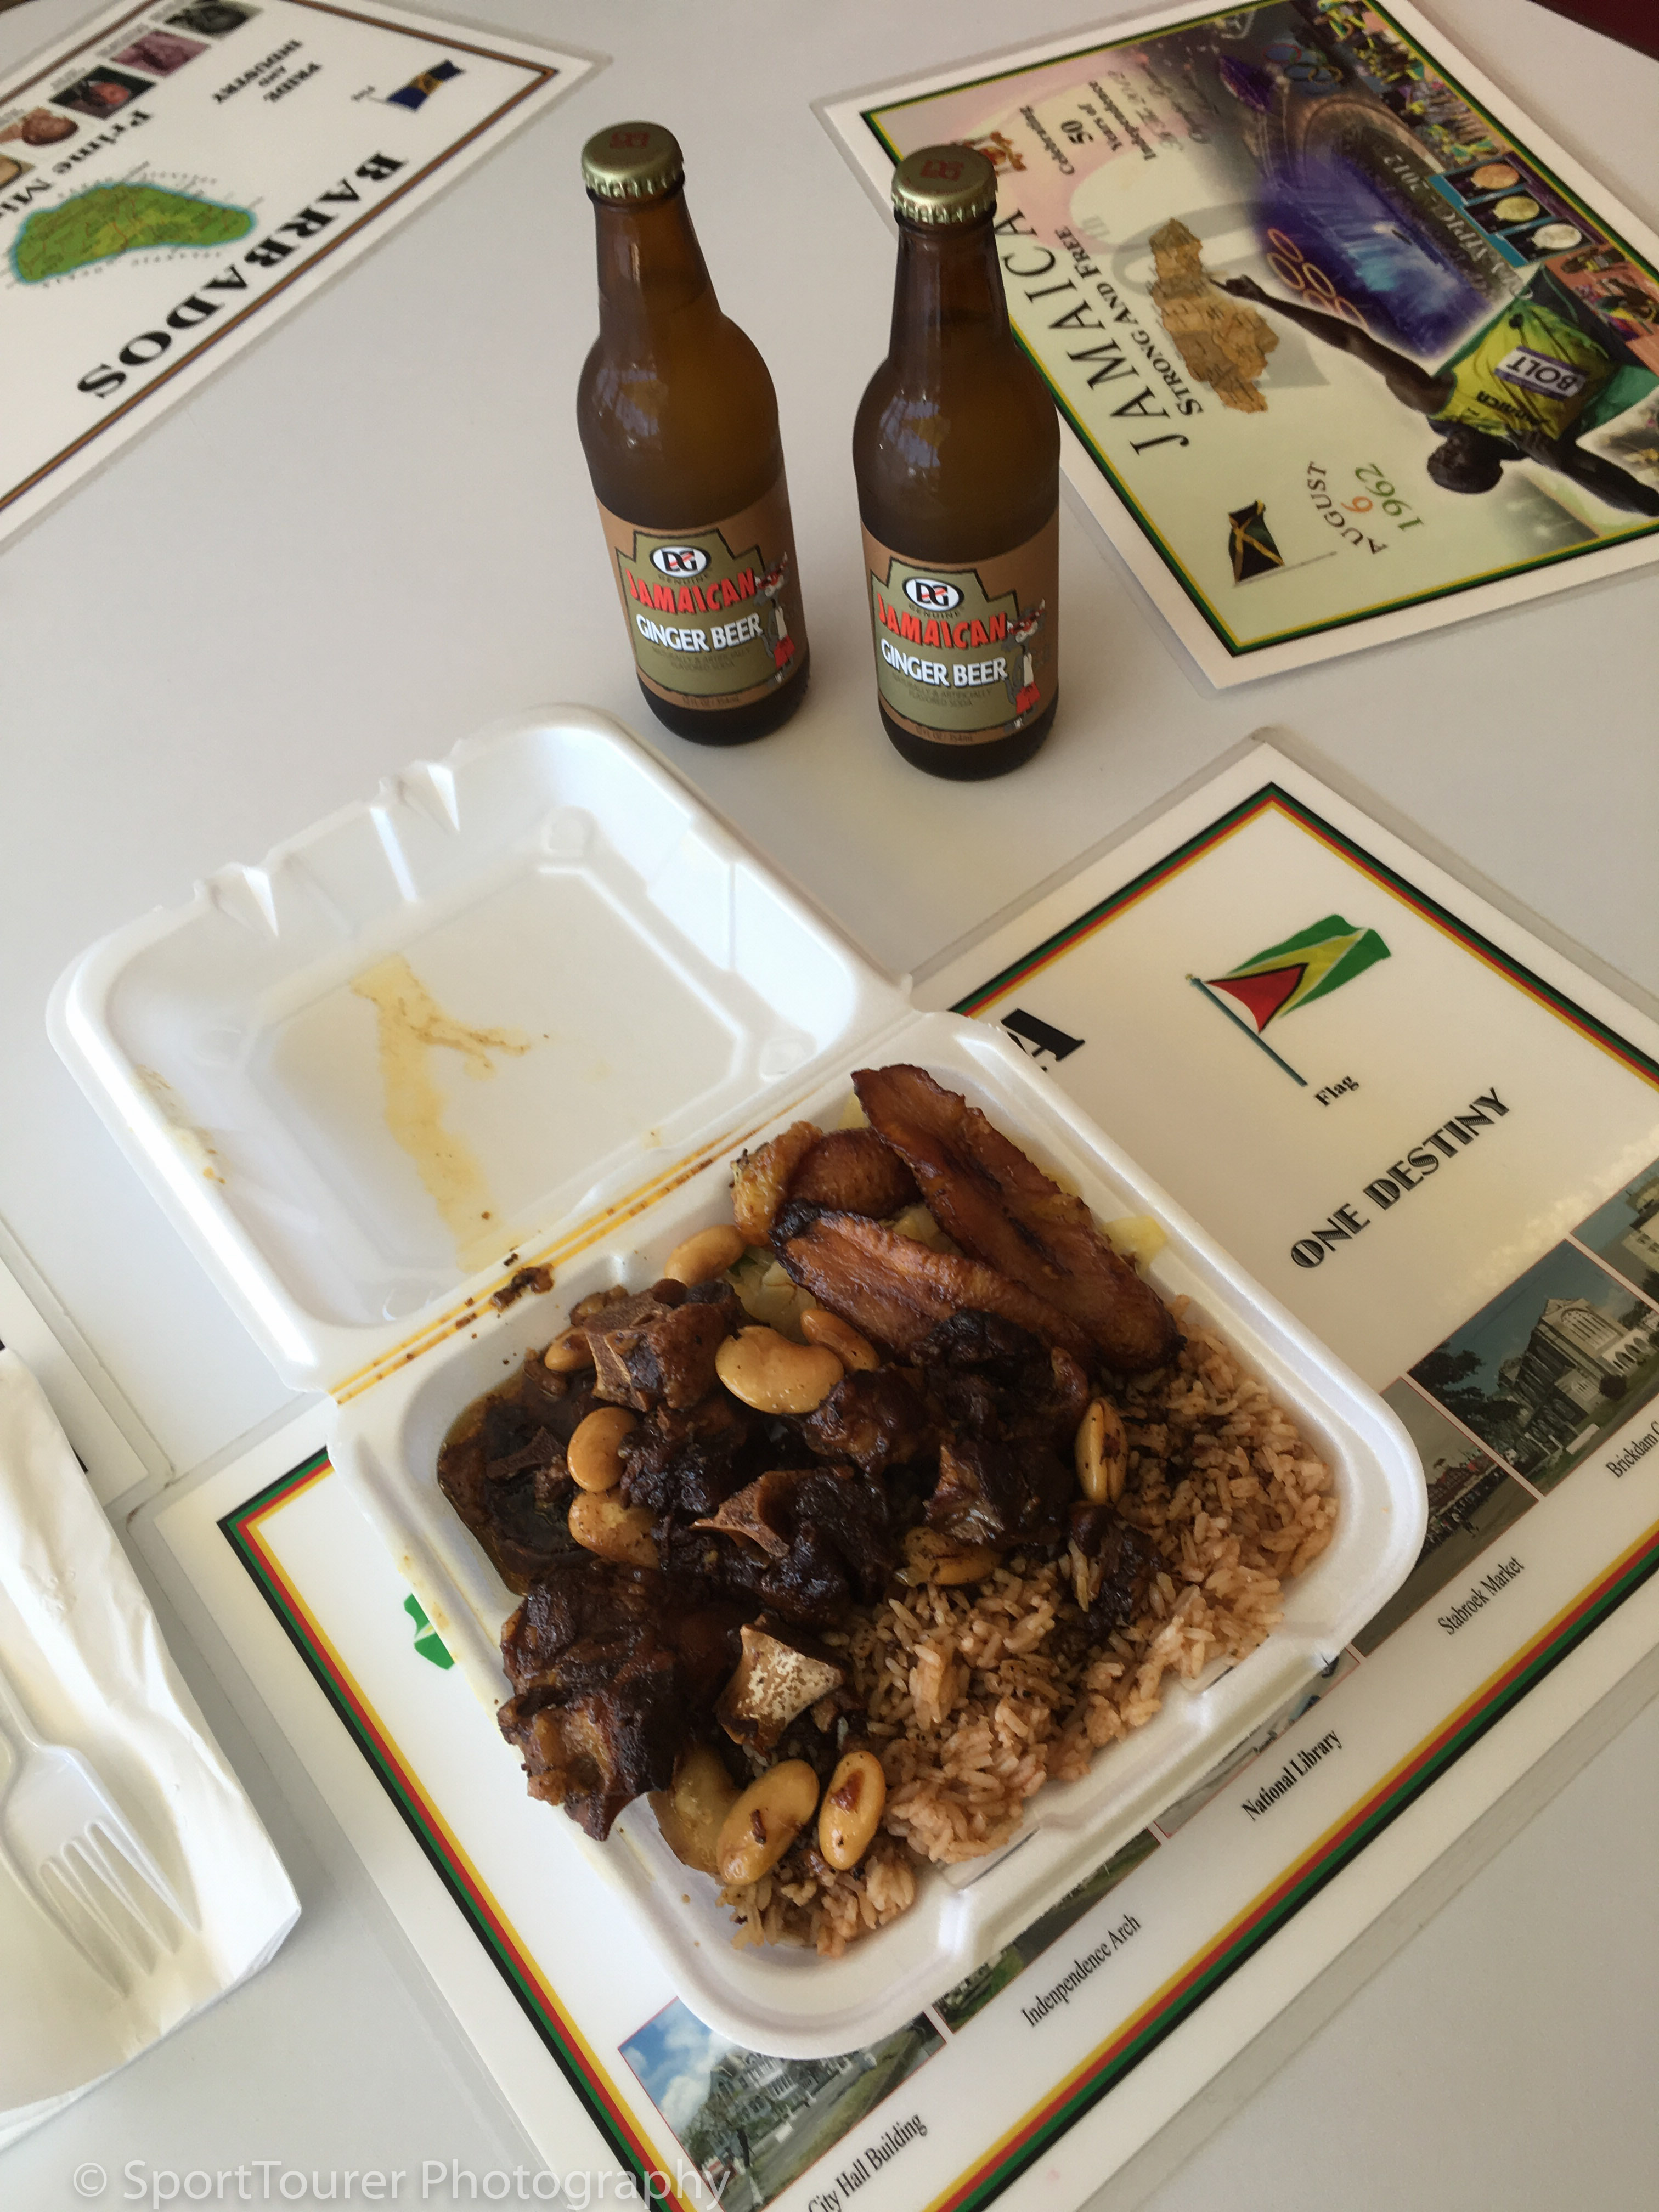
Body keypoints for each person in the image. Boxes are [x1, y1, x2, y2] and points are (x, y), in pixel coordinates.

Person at [1220, 269, 1659, 515]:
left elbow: (1353, 342)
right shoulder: (1542, 447)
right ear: (1490, 473)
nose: (1446, 451)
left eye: (1438, 457)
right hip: (1632, 340)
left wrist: (1266, 299)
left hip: (1565, 297)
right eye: (1454, 464)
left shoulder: (1433, 401)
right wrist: (1566, 467)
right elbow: (1647, 505)